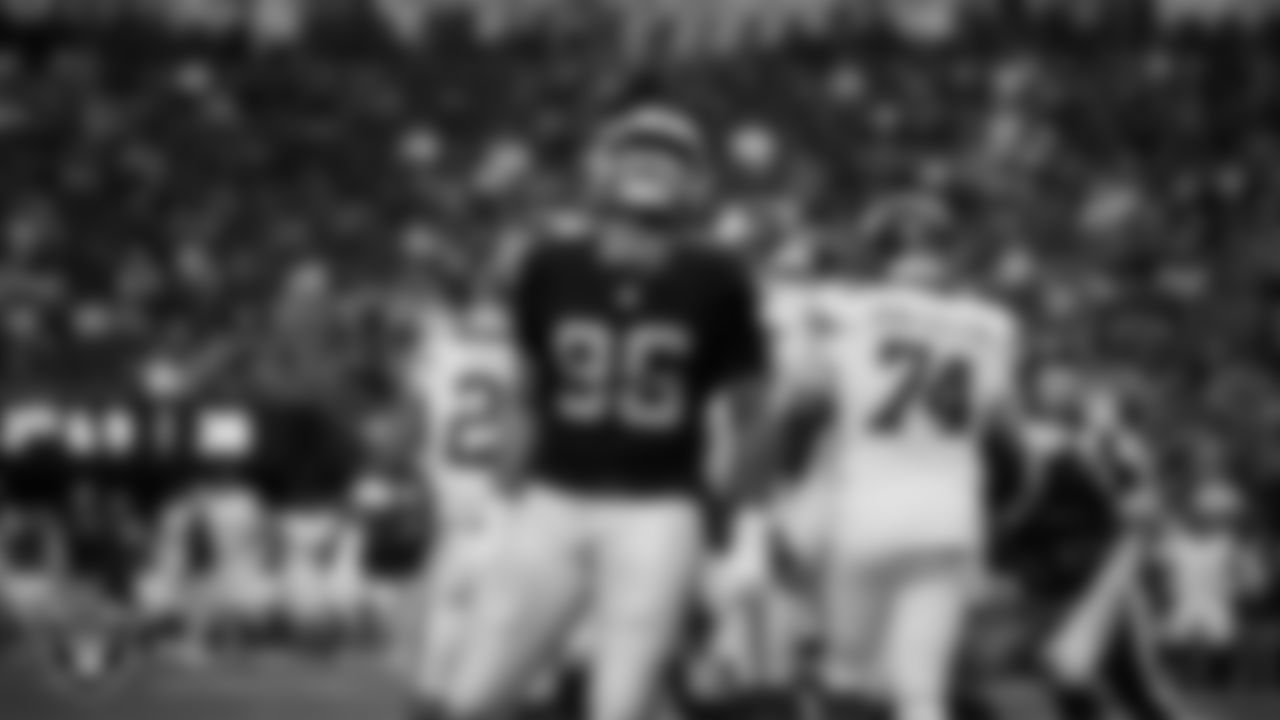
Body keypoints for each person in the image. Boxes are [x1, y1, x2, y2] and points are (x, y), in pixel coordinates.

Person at [424, 105, 771, 720]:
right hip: (553, 501)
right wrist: (495, 515)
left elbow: (750, 410)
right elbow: (530, 397)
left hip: (659, 508)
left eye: (670, 155)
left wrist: (744, 530)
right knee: (475, 693)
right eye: (638, 149)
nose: (652, 164)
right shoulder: (550, 265)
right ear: (603, 168)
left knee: (621, 699)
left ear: (694, 180)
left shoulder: (718, 278)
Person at [779, 227, 1021, 720]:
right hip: (951, 514)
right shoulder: (989, 325)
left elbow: (802, 410)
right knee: (921, 693)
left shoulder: (840, 311)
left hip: (866, 510)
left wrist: (789, 486)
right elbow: (1006, 446)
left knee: (845, 676)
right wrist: (992, 513)